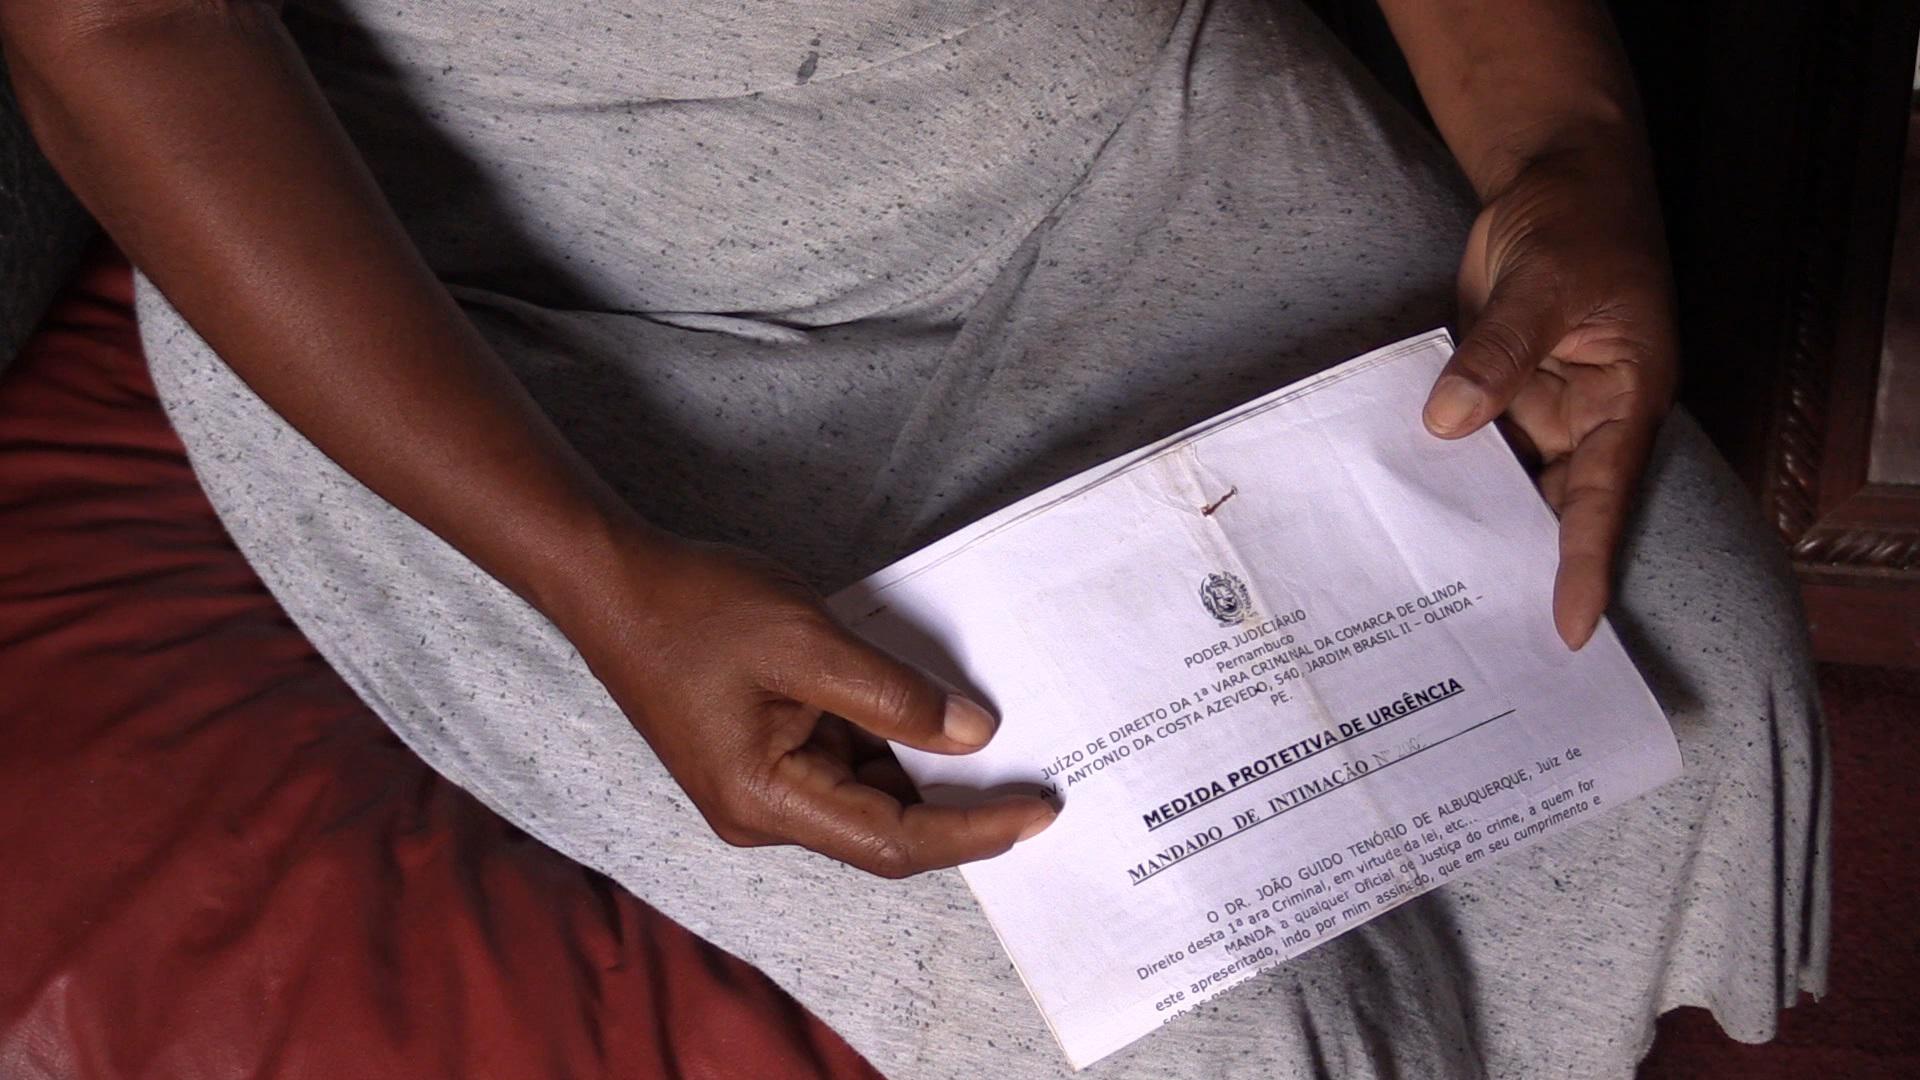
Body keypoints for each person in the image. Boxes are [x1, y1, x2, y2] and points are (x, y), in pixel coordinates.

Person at [2, 1, 1827, 1076]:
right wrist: (586, 567)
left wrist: (1570, 157)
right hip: (505, 299)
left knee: (1683, 684)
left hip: (1119, 124)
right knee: (1178, 1011)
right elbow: (116, 23)